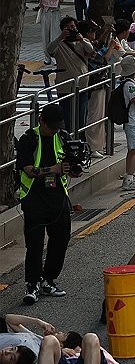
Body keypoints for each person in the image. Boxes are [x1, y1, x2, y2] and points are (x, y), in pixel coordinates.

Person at [15, 103, 76, 306]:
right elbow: (29, 170)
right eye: (51, 126)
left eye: (57, 126)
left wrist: (74, 168)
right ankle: (32, 283)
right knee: (34, 244)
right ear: (41, 121)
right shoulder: (29, 139)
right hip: (34, 199)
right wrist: (54, 169)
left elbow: (70, 166)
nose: (55, 130)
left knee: (61, 240)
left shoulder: (63, 137)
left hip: (58, 199)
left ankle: (48, 279)